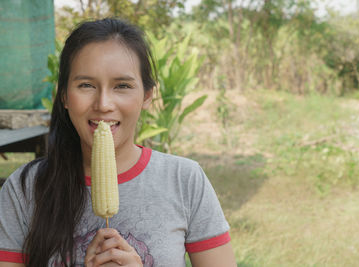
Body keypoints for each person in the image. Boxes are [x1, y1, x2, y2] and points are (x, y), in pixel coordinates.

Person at [0, 18, 236, 267]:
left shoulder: (185, 180)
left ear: (146, 96)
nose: (103, 104)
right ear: (64, 96)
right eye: (86, 85)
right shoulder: (24, 189)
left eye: (122, 85)